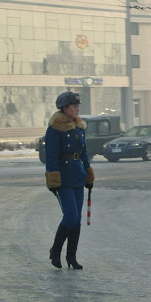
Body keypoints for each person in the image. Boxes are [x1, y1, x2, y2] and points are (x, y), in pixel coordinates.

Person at [44, 91, 95, 269]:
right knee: (70, 216)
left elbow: (84, 153)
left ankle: (71, 257)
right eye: (74, 107)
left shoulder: (79, 127)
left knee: (77, 219)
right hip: (63, 179)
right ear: (65, 109)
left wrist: (88, 174)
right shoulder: (54, 128)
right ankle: (55, 251)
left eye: (78, 106)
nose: (77, 109)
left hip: (78, 176)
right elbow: (51, 155)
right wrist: (52, 179)